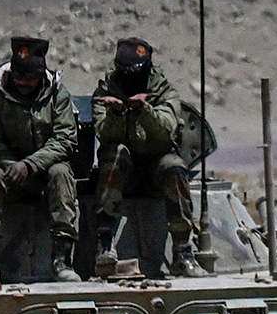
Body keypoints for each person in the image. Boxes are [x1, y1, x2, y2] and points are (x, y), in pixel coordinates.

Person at [87, 34, 207, 274]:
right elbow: (103, 132)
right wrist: (117, 114)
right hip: (121, 171)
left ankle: (182, 250)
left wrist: (144, 110)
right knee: (115, 153)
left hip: (156, 167)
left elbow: (166, 130)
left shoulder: (163, 91)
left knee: (174, 166)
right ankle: (106, 243)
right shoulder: (105, 91)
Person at [0, 35, 82, 282]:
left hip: (43, 173)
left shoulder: (57, 95)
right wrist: (13, 166)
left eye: (30, 79)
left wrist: (31, 165)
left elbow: (65, 139)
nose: (23, 84)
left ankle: (62, 258)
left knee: (62, 173)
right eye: (19, 77)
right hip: (6, 170)